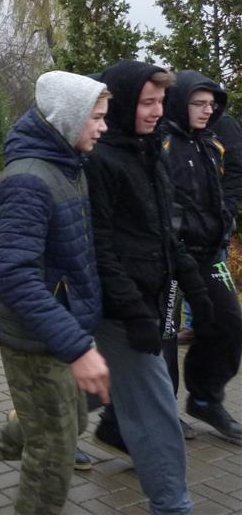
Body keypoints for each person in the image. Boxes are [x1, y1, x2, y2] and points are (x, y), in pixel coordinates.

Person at [0, 71, 112, 515]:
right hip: (33, 336)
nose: (103, 127)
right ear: (70, 118)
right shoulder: (29, 180)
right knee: (52, 452)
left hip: (58, 328)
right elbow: (15, 276)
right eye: (96, 118)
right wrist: (78, 348)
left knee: (68, 422)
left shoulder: (68, 165)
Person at [86, 60, 212, 515]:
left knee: (71, 399)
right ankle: (173, 506)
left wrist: (197, 288)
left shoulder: (150, 153)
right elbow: (100, 247)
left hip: (147, 302)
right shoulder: (100, 161)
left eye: (160, 102)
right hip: (119, 312)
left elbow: (162, 234)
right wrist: (136, 313)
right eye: (146, 102)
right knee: (159, 414)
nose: (157, 111)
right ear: (120, 104)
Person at [162, 71, 242, 444]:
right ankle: (162, 411)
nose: (208, 111)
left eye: (212, 104)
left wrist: (225, 217)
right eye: (199, 103)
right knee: (163, 334)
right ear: (180, 102)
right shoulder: (160, 142)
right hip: (168, 258)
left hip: (209, 253)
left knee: (228, 321)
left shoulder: (211, 144)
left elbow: (227, 187)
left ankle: (206, 399)